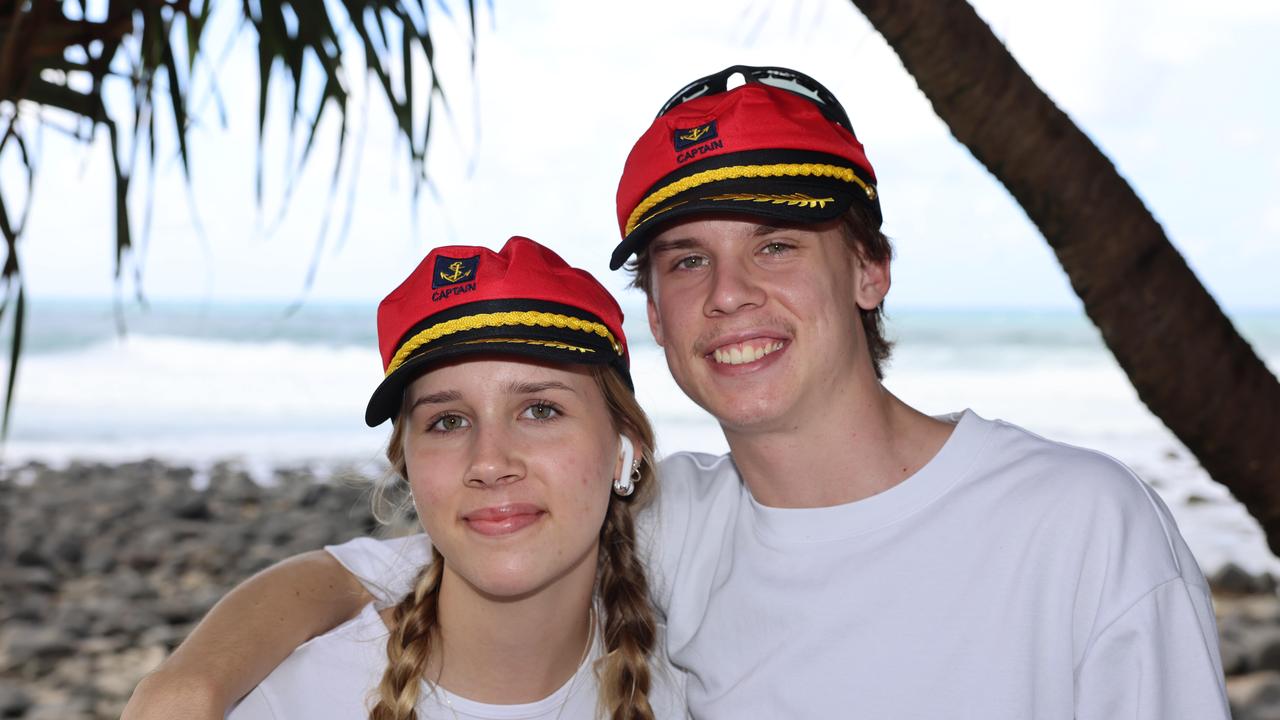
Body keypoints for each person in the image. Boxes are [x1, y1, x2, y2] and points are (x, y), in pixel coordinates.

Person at [126, 66, 1229, 719]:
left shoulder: (1077, 525)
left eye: (776, 244)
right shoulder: (672, 520)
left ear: (868, 269)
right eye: (684, 260)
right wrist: (186, 688)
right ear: (653, 314)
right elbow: (384, 566)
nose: (728, 295)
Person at [222, 236, 685, 719]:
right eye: (448, 421)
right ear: (407, 464)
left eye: (540, 410)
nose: (488, 462)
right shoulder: (294, 703)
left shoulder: (694, 683)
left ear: (623, 451)